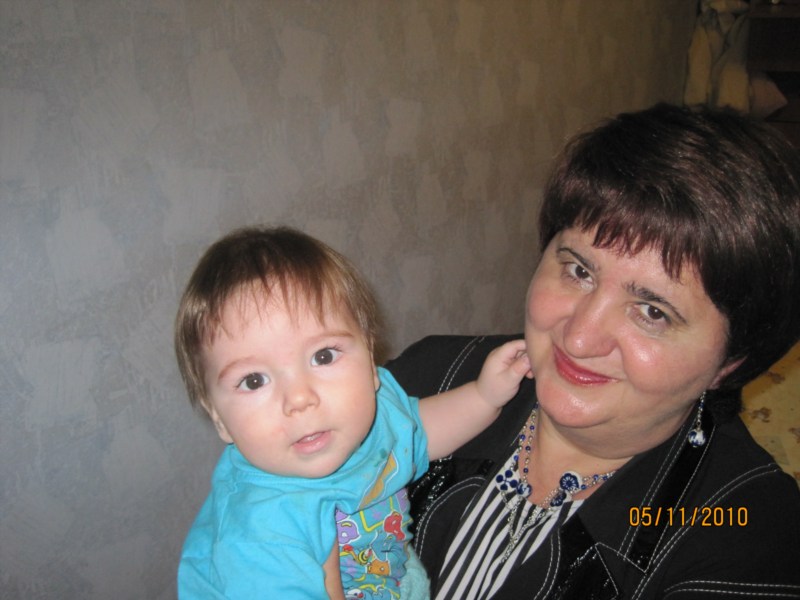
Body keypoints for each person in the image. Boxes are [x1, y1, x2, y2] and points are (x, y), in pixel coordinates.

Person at [386, 103, 800, 598]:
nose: (579, 339)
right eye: (579, 271)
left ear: (731, 363)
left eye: (653, 312)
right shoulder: (427, 378)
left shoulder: (746, 531)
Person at [174, 226, 530, 599]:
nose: (299, 399)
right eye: (253, 381)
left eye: (323, 356)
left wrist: (484, 395)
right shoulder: (260, 535)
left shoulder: (370, 417)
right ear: (219, 419)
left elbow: (418, 433)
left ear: (371, 364)